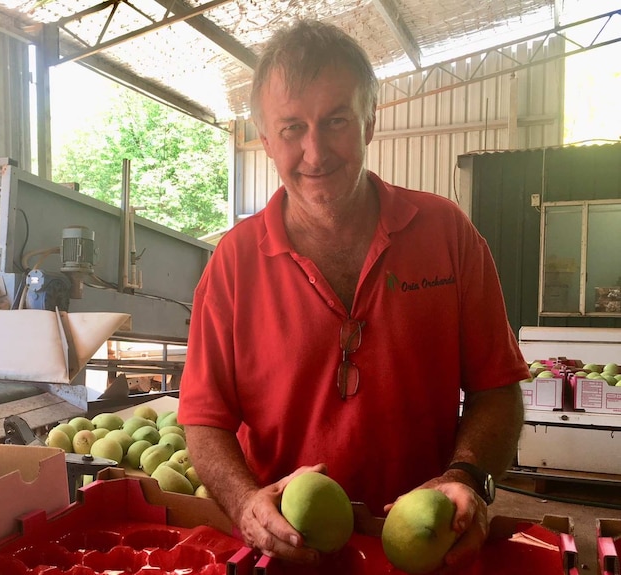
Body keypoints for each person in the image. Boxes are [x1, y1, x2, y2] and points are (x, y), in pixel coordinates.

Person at [177, 19, 528, 569]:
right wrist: (246, 504)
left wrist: (467, 476)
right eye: (292, 128)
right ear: (266, 140)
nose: (315, 153)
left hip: (428, 549)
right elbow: (203, 418)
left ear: (369, 121)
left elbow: (497, 388)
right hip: (288, 555)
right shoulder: (234, 262)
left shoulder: (446, 234)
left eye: (335, 120)